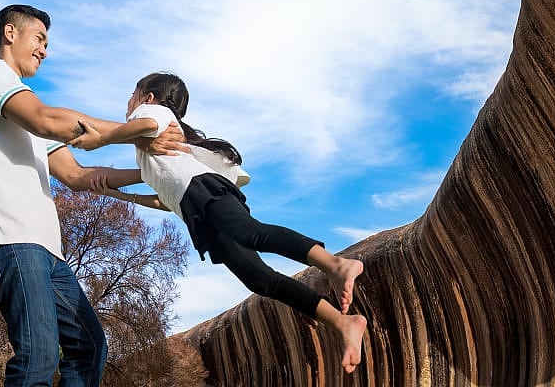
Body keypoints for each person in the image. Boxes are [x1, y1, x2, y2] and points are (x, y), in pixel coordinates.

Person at [0, 5, 186, 387]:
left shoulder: (25, 108)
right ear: (10, 34)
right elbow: (47, 119)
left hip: (44, 247)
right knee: (38, 357)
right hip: (8, 235)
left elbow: (77, 176)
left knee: (88, 348)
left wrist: (156, 176)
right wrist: (140, 132)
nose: (44, 50)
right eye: (39, 39)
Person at [87, 72, 368, 375]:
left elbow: (145, 125)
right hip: (195, 205)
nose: (129, 100)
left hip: (203, 190)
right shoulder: (150, 154)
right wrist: (120, 196)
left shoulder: (151, 112)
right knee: (258, 278)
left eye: (133, 93)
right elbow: (163, 200)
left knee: (250, 232)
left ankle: (335, 265)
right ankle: (342, 322)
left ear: (148, 96)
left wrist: (102, 137)